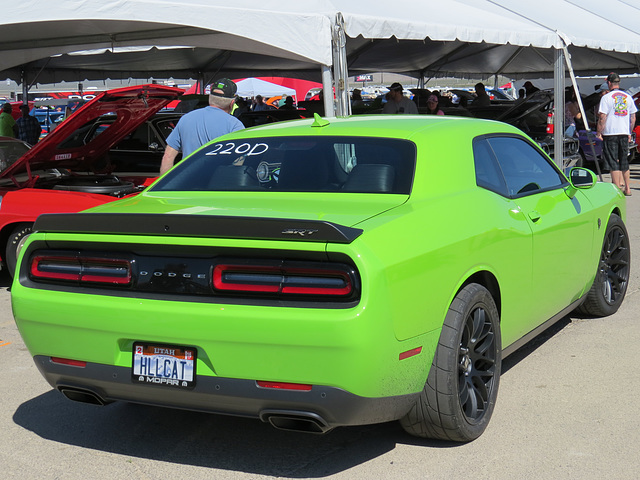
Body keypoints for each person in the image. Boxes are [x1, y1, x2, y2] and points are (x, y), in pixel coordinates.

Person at [160, 78, 245, 175]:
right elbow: (239, 161)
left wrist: (164, 188)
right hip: (217, 185)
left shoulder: (186, 118)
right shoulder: (234, 125)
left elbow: (168, 156)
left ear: (210, 97)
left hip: (187, 183)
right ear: (232, 103)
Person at [596, 72, 637, 196]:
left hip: (611, 132)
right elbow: (633, 117)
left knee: (613, 161)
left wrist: (599, 132)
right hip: (624, 132)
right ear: (618, 83)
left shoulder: (606, 98)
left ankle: (617, 188)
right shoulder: (628, 97)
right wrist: (629, 131)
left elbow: (602, 117)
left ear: (609, 83)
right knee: (624, 160)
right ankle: (628, 187)